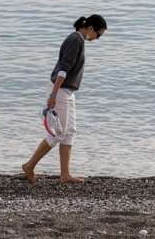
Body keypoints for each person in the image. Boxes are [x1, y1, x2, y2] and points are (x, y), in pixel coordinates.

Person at [22, 14, 107, 184]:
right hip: (60, 91)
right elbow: (63, 69)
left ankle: (65, 175)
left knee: (70, 132)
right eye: (99, 34)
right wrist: (53, 94)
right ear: (90, 29)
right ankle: (29, 165)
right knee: (58, 134)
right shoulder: (75, 40)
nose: (98, 38)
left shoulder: (79, 40)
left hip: (68, 92)